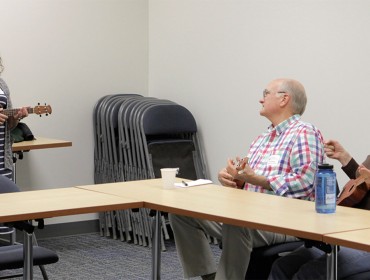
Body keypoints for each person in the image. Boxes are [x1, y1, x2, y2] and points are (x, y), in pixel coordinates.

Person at [169, 78, 325, 280]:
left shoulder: (304, 132)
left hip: (287, 222)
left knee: (237, 222)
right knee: (181, 211)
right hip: (253, 215)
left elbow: (306, 182)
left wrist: (258, 179)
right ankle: (209, 275)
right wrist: (235, 179)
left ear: (284, 99)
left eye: (266, 93)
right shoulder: (262, 138)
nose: (261, 100)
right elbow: (250, 180)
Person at [268, 139, 370, 280]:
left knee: (308, 274)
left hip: (365, 242)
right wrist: (345, 157)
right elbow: (362, 180)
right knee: (282, 266)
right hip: (351, 233)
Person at [0, 56, 28, 179]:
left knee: (9, 197)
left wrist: (16, 117)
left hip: (3, 161)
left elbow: (9, 125)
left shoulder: (2, 85)